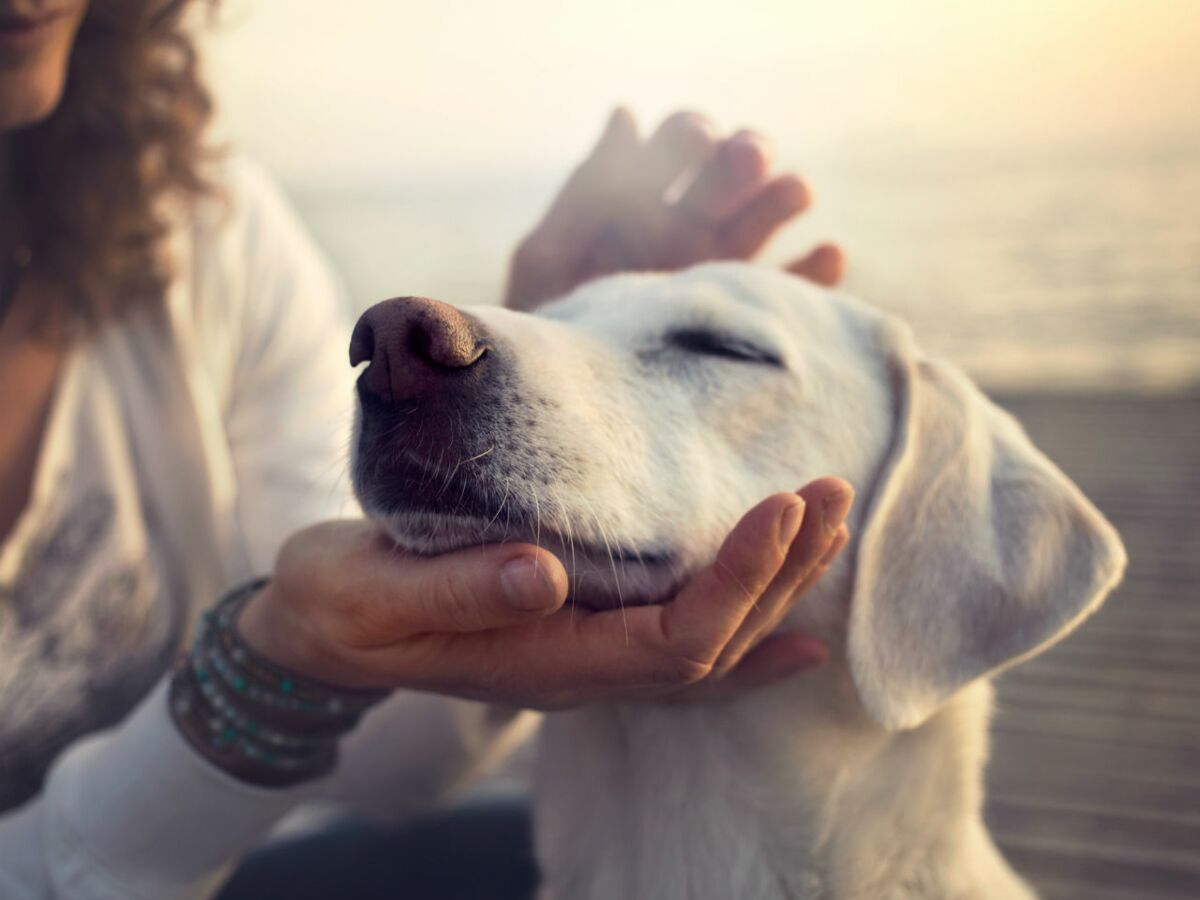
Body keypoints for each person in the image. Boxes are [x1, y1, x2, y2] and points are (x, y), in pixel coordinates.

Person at [0, 1, 854, 897]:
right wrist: (260, 675)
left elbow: (384, 765)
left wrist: (550, 388)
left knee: (521, 849)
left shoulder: (203, 231)